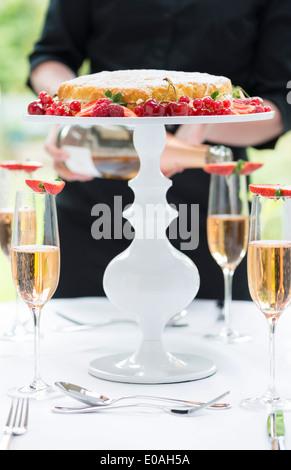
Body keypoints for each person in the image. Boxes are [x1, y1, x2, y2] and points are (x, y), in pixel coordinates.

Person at [28, 0, 291, 300]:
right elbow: (50, 57)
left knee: (207, 338)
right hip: (94, 207)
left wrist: (202, 123)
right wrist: (75, 113)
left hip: (207, 215)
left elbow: (278, 101)